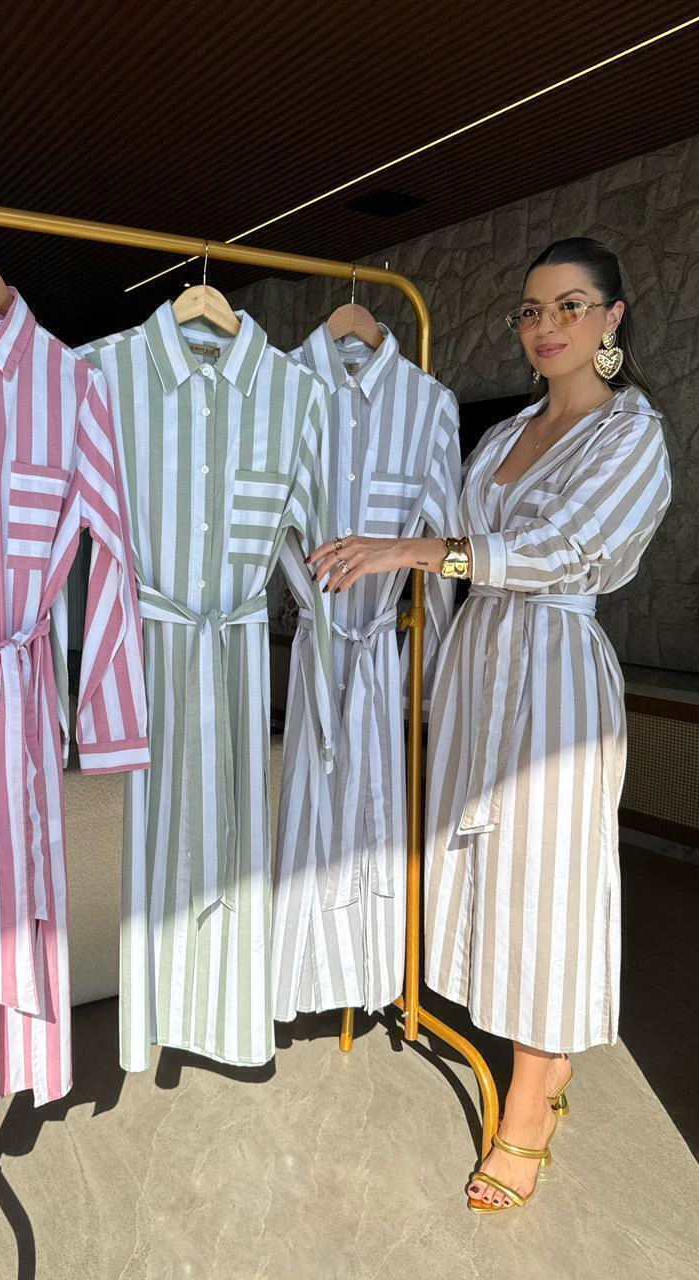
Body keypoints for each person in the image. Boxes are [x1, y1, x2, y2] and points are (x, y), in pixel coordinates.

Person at [308, 238, 672, 1213]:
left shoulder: (631, 433)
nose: (546, 326)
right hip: (479, 671)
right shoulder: (508, 431)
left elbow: (566, 547)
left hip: (553, 676)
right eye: (531, 309)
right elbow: (458, 535)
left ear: (613, 317)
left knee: (550, 885)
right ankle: (535, 1054)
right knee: (490, 877)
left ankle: (532, 1102)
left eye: (570, 305)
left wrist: (417, 549)